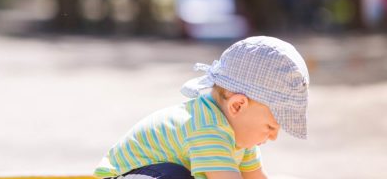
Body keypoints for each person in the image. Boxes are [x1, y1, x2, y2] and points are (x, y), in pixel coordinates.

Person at [95, 36, 309, 179]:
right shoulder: (207, 127)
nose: (273, 137)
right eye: (271, 127)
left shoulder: (243, 140)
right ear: (237, 106)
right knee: (174, 175)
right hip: (124, 176)